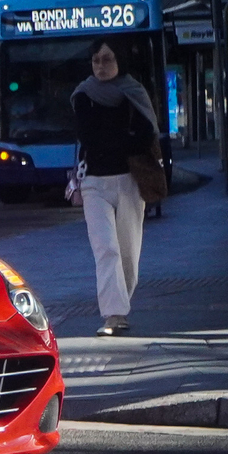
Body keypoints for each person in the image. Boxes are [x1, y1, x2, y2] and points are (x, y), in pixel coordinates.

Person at [73, 40, 161, 336]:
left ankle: (121, 307)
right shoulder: (83, 95)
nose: (101, 66)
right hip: (94, 184)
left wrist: (114, 140)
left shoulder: (134, 93)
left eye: (107, 59)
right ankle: (113, 315)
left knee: (128, 252)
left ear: (120, 60)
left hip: (130, 181)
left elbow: (145, 135)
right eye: (96, 60)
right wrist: (123, 138)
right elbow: (90, 138)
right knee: (106, 248)